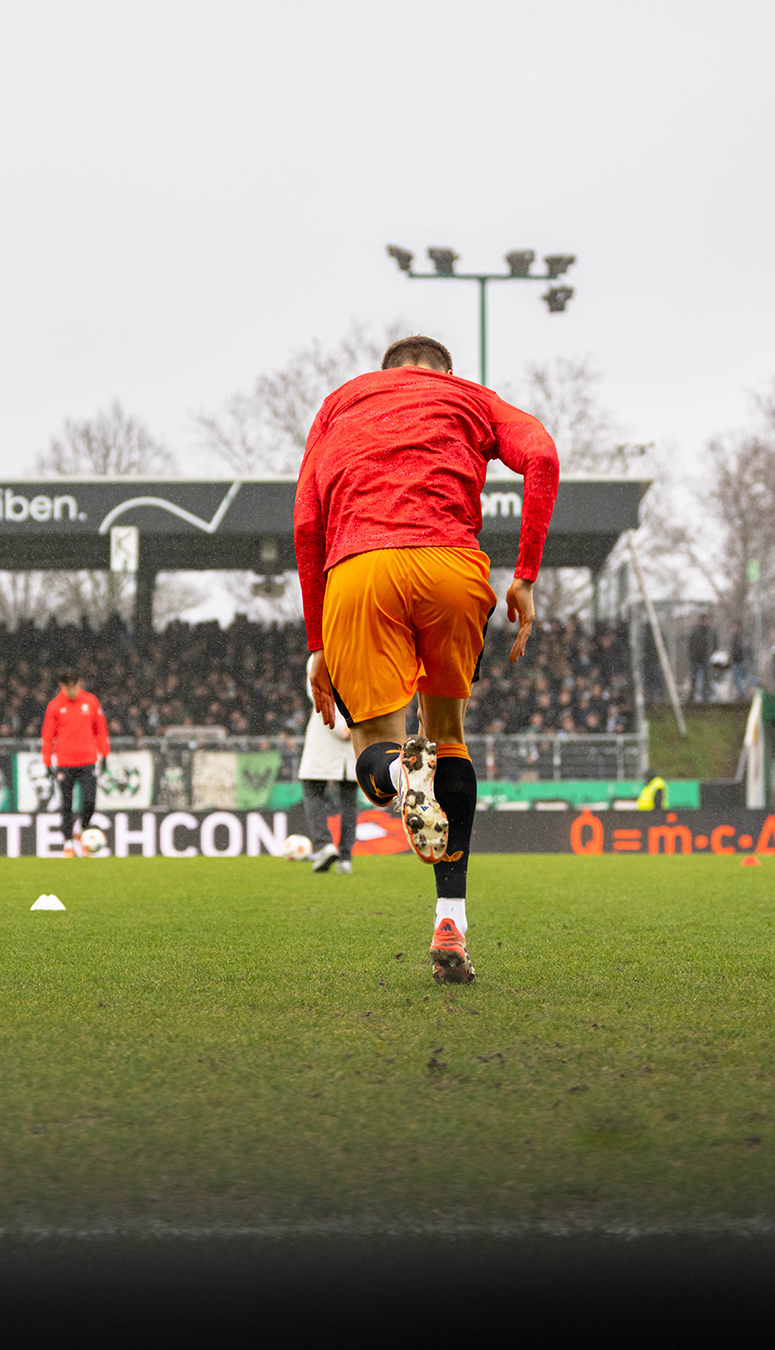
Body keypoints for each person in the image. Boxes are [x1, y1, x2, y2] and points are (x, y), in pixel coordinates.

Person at [294, 334, 559, 984]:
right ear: (445, 372)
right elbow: (542, 455)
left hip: (361, 570)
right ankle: (451, 921)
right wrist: (525, 574)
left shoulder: (342, 403)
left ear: (386, 372)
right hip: (452, 569)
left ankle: (399, 773)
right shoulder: (471, 398)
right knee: (448, 737)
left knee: (374, 752)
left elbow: (306, 522)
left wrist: (318, 644)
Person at [298, 654, 358, 874]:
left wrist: (339, 725)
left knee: (313, 789)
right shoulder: (357, 654)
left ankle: (324, 845)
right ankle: (345, 858)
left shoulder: (319, 655)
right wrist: (353, 722)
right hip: (355, 731)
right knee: (349, 799)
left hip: (324, 732)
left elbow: (317, 693)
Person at [41, 670, 110, 857]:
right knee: (66, 805)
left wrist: (104, 754)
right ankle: (68, 844)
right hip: (65, 764)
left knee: (90, 802)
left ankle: (82, 830)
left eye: (75, 686)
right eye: (69, 688)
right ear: (62, 686)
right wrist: (47, 762)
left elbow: (100, 729)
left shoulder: (90, 701)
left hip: (88, 761)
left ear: (79, 684)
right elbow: (48, 736)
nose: (72, 691)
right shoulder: (55, 706)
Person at [688, 614, 715, 703]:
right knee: (694, 677)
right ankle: (692, 695)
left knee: (706, 678)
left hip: (706, 659)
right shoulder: (695, 632)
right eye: (702, 621)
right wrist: (692, 654)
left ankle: (705, 695)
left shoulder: (711, 632)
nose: (704, 623)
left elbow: (715, 644)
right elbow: (691, 644)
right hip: (696, 658)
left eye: (705, 621)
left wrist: (711, 654)